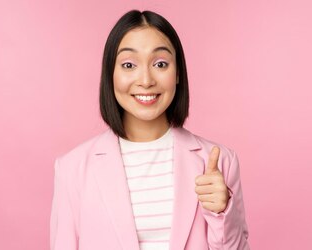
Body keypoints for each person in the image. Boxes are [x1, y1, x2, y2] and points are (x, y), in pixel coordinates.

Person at [50, 9, 250, 250]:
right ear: (110, 75)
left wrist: (222, 213)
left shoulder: (219, 162)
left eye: (160, 64)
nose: (145, 80)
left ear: (177, 74)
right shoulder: (72, 169)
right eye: (128, 65)